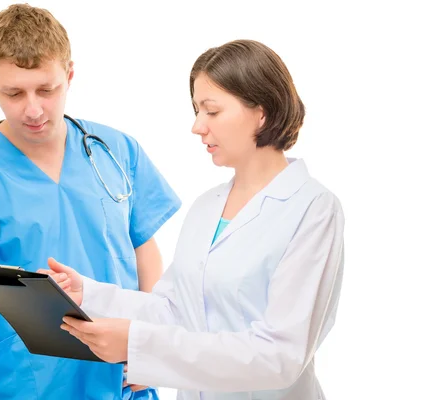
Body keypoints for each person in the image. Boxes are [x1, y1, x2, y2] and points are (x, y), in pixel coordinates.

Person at [0, 4, 180, 399]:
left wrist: (153, 345)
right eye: (13, 93)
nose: (33, 110)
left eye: (47, 90)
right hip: (21, 381)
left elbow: (143, 248)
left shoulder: (116, 150)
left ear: (69, 73)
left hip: (120, 380)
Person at [41, 39, 345, 400]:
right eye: (197, 111)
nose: (197, 126)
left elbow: (280, 355)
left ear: (261, 112)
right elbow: (174, 309)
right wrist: (87, 294)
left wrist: (138, 344)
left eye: (211, 111)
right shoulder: (206, 206)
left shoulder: (312, 208)